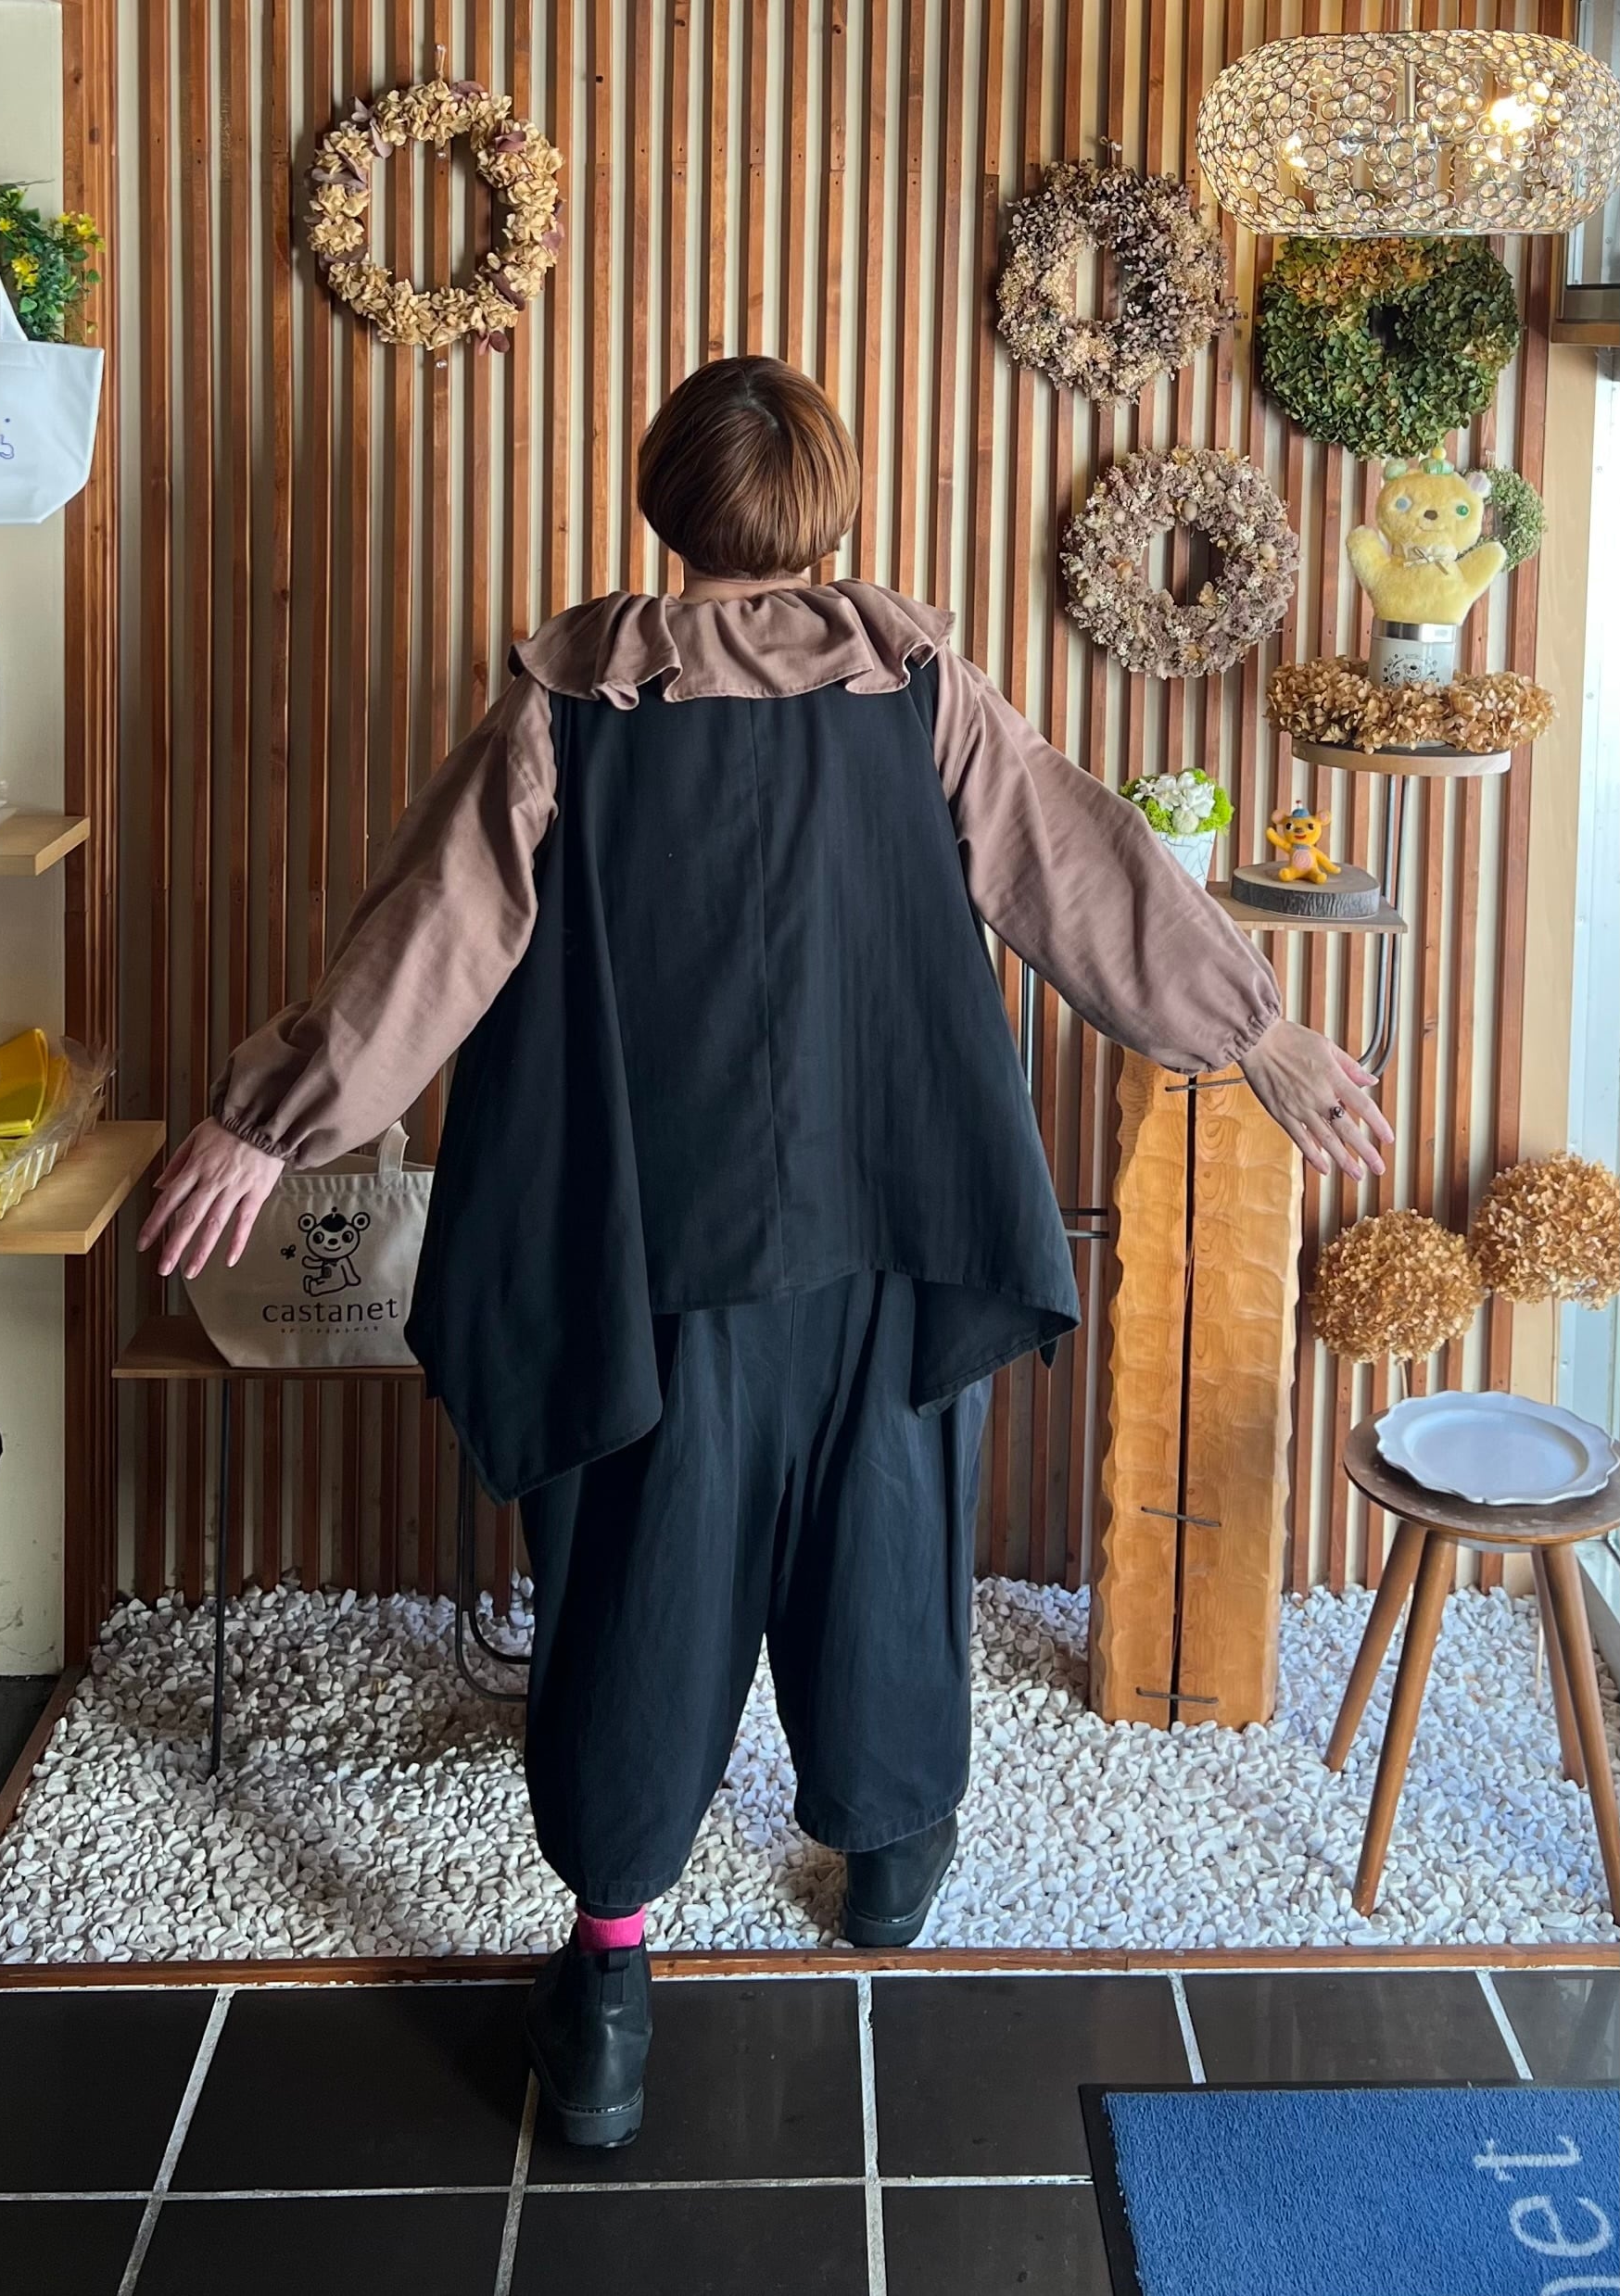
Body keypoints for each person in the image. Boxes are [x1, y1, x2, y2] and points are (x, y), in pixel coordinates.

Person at [140, 356, 1390, 2147]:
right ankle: (888, 1858)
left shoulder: (572, 703)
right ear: (829, 508)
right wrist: (1258, 1033)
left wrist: (268, 1120)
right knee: (889, 1538)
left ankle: (609, 1990)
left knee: (640, 1584)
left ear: (664, 497)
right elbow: (1082, 870)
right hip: (895, 1225)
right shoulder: (917, 683)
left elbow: (426, 940)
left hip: (659, 1255)